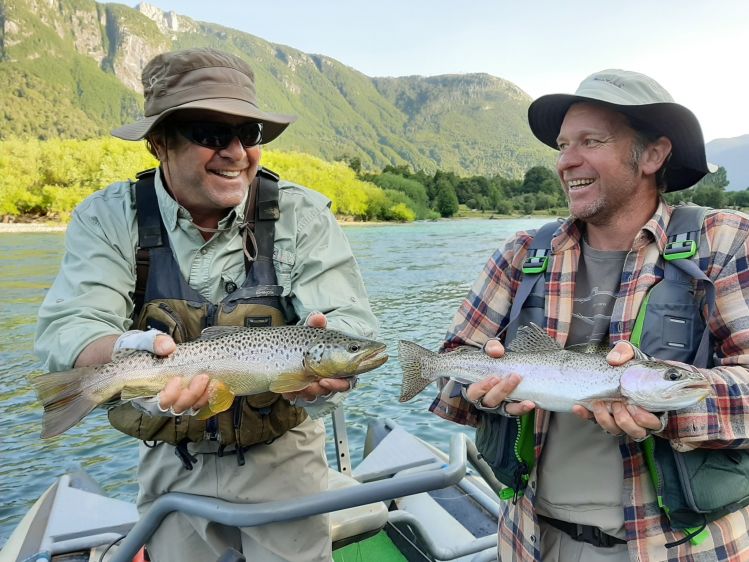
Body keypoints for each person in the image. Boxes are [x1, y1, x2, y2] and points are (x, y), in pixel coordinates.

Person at [35, 47, 378, 562]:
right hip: (172, 461)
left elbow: (349, 320)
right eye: (212, 134)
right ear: (158, 143)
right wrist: (129, 348)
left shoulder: (301, 214)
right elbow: (71, 329)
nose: (237, 151)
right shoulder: (108, 218)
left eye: (249, 134)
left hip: (285, 459)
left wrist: (328, 371)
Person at [430, 69, 749, 561]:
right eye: (562, 145)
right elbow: (449, 366)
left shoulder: (725, 244)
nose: (566, 161)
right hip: (535, 541)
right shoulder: (521, 254)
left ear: (653, 154)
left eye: (590, 141)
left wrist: (667, 409)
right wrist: (486, 395)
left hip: (684, 549)